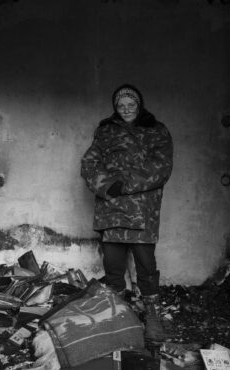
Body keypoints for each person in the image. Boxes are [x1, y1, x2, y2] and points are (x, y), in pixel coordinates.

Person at [81, 83, 173, 341]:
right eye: (121, 106)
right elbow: (89, 163)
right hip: (110, 209)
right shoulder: (105, 131)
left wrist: (126, 184)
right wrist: (108, 186)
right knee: (112, 266)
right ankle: (116, 317)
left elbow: (161, 168)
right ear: (115, 107)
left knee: (146, 264)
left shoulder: (156, 130)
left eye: (131, 104)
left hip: (142, 211)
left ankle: (152, 316)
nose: (126, 109)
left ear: (139, 104)